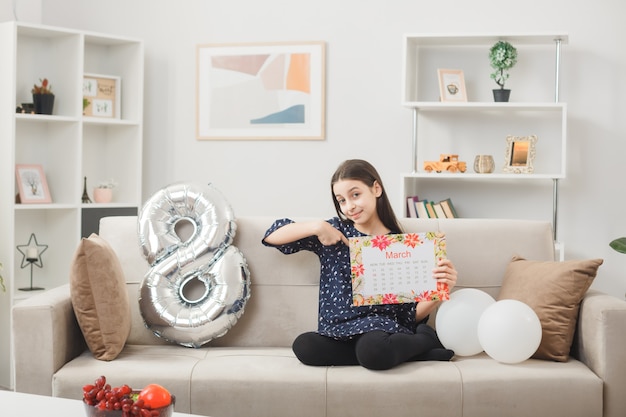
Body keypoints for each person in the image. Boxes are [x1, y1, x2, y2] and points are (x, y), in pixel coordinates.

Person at [262, 159, 458, 370]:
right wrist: (317, 226)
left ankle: (420, 340)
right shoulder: (332, 232)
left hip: (378, 330)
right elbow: (272, 236)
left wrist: (441, 291)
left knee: (374, 349)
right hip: (337, 331)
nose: (349, 206)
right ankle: (416, 348)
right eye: (341, 200)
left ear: (376, 188)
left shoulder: (400, 244)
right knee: (305, 346)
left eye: (355, 195)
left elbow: (408, 314)